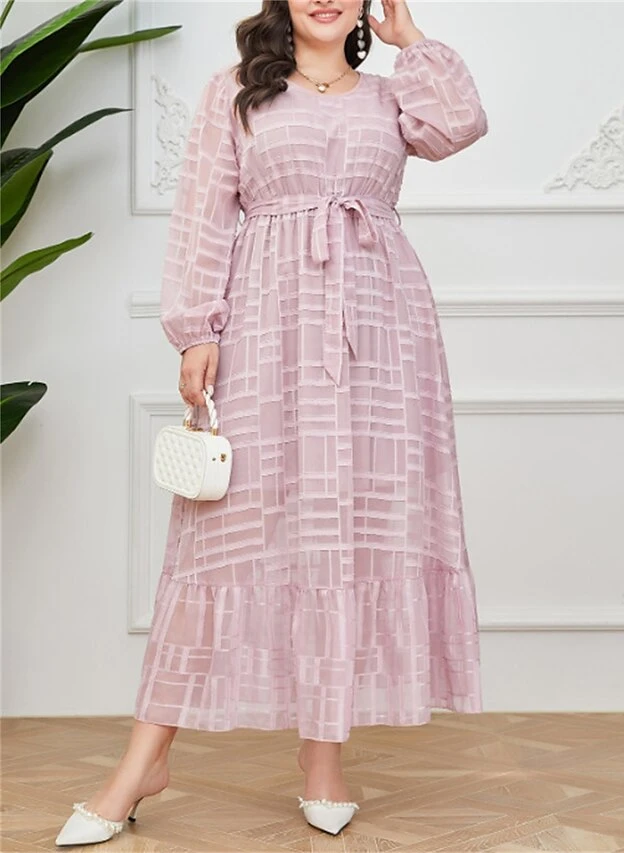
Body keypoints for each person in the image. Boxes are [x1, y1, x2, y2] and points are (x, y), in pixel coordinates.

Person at [56, 0, 488, 844]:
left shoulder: (394, 95)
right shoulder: (236, 92)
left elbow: (460, 125)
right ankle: (143, 760)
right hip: (265, 326)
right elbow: (201, 215)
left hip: (382, 335)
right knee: (222, 538)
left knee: (346, 533)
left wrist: (411, 39)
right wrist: (196, 330)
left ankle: (323, 760)